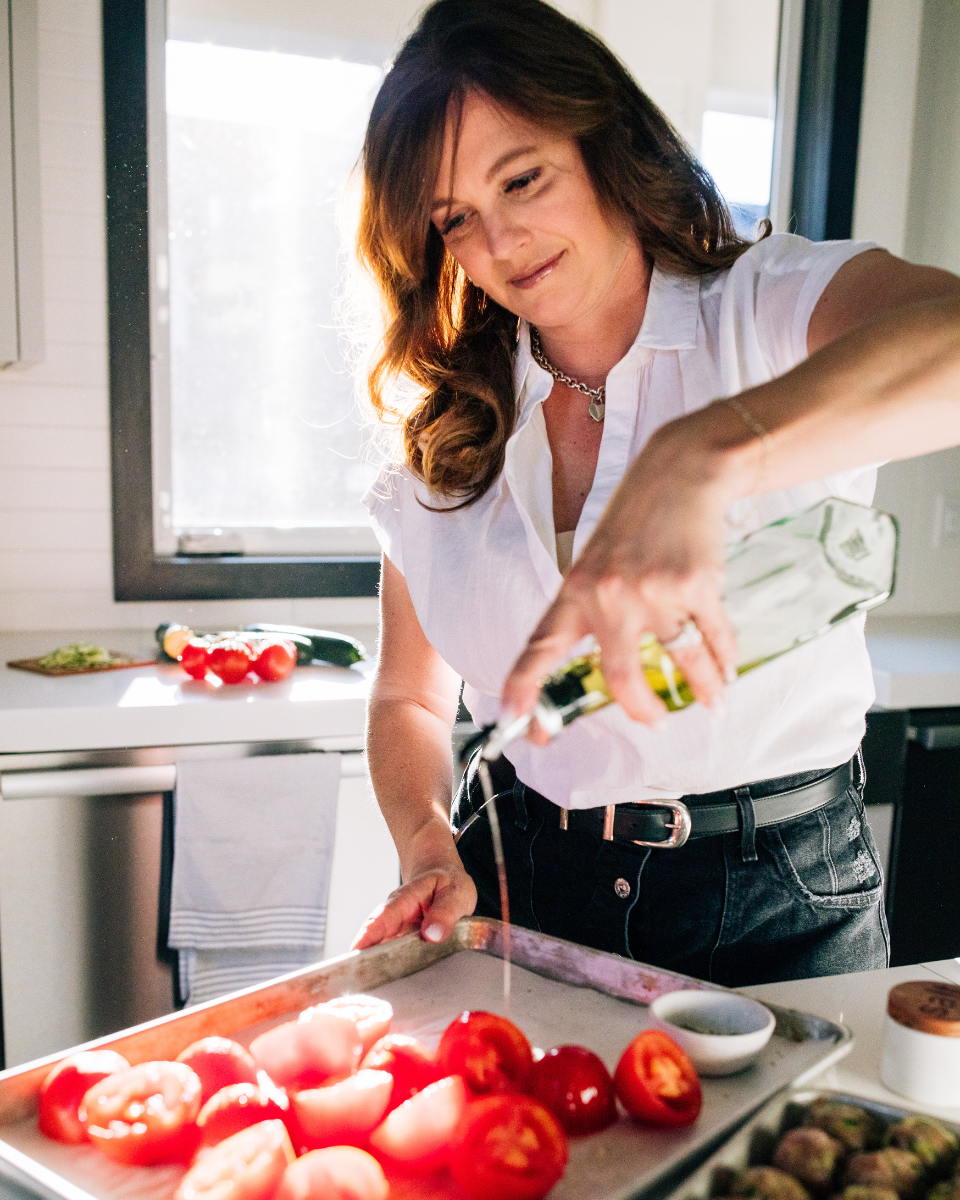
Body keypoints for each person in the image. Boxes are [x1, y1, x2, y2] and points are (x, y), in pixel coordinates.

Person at [351, 0, 960, 986]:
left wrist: (707, 455)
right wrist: (425, 836)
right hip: (520, 876)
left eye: (524, 178)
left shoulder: (765, 308)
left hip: (775, 894)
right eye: (458, 218)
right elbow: (409, 696)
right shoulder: (448, 434)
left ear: (604, 141)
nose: (501, 241)